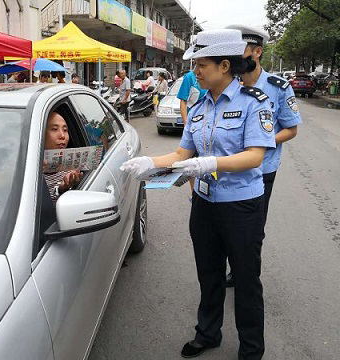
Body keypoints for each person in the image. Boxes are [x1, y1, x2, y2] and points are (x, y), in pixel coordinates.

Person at [121, 29, 275, 359]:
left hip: (242, 206)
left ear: (224, 65)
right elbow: (181, 155)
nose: (195, 72)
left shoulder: (253, 103)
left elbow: (255, 155)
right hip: (204, 205)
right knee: (208, 273)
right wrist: (149, 161)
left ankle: (251, 348)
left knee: (246, 280)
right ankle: (208, 333)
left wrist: (209, 163)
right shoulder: (200, 107)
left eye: (200, 64)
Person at [224, 25, 302, 287]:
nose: (237, 58)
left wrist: (260, 142)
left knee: (253, 228)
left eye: (242, 51)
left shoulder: (278, 87)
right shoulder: (230, 85)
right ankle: (236, 268)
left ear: (257, 52)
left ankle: (247, 276)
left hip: (262, 169)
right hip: (229, 166)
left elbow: (290, 130)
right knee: (228, 225)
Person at [43, 112, 82, 203]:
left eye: (65, 130)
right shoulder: (27, 170)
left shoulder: (73, 167)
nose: (62, 136)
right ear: (41, 133)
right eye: (54, 129)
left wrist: (64, 188)